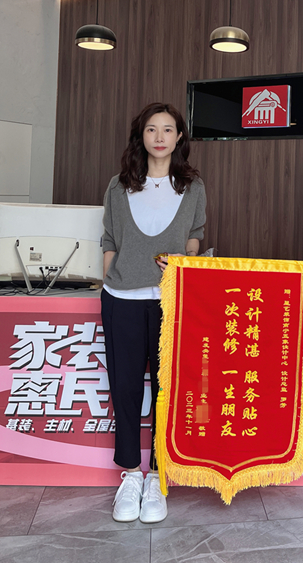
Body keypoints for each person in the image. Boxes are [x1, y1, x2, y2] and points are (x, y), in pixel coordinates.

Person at [101, 102, 206, 523]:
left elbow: (195, 236)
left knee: (169, 391)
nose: (159, 137)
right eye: (151, 129)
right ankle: (130, 474)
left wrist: (184, 260)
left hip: (171, 302)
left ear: (179, 137)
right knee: (125, 389)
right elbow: (109, 238)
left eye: (167, 129)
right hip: (122, 300)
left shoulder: (191, 186)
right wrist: (113, 275)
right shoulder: (119, 185)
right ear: (140, 136)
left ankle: (159, 476)